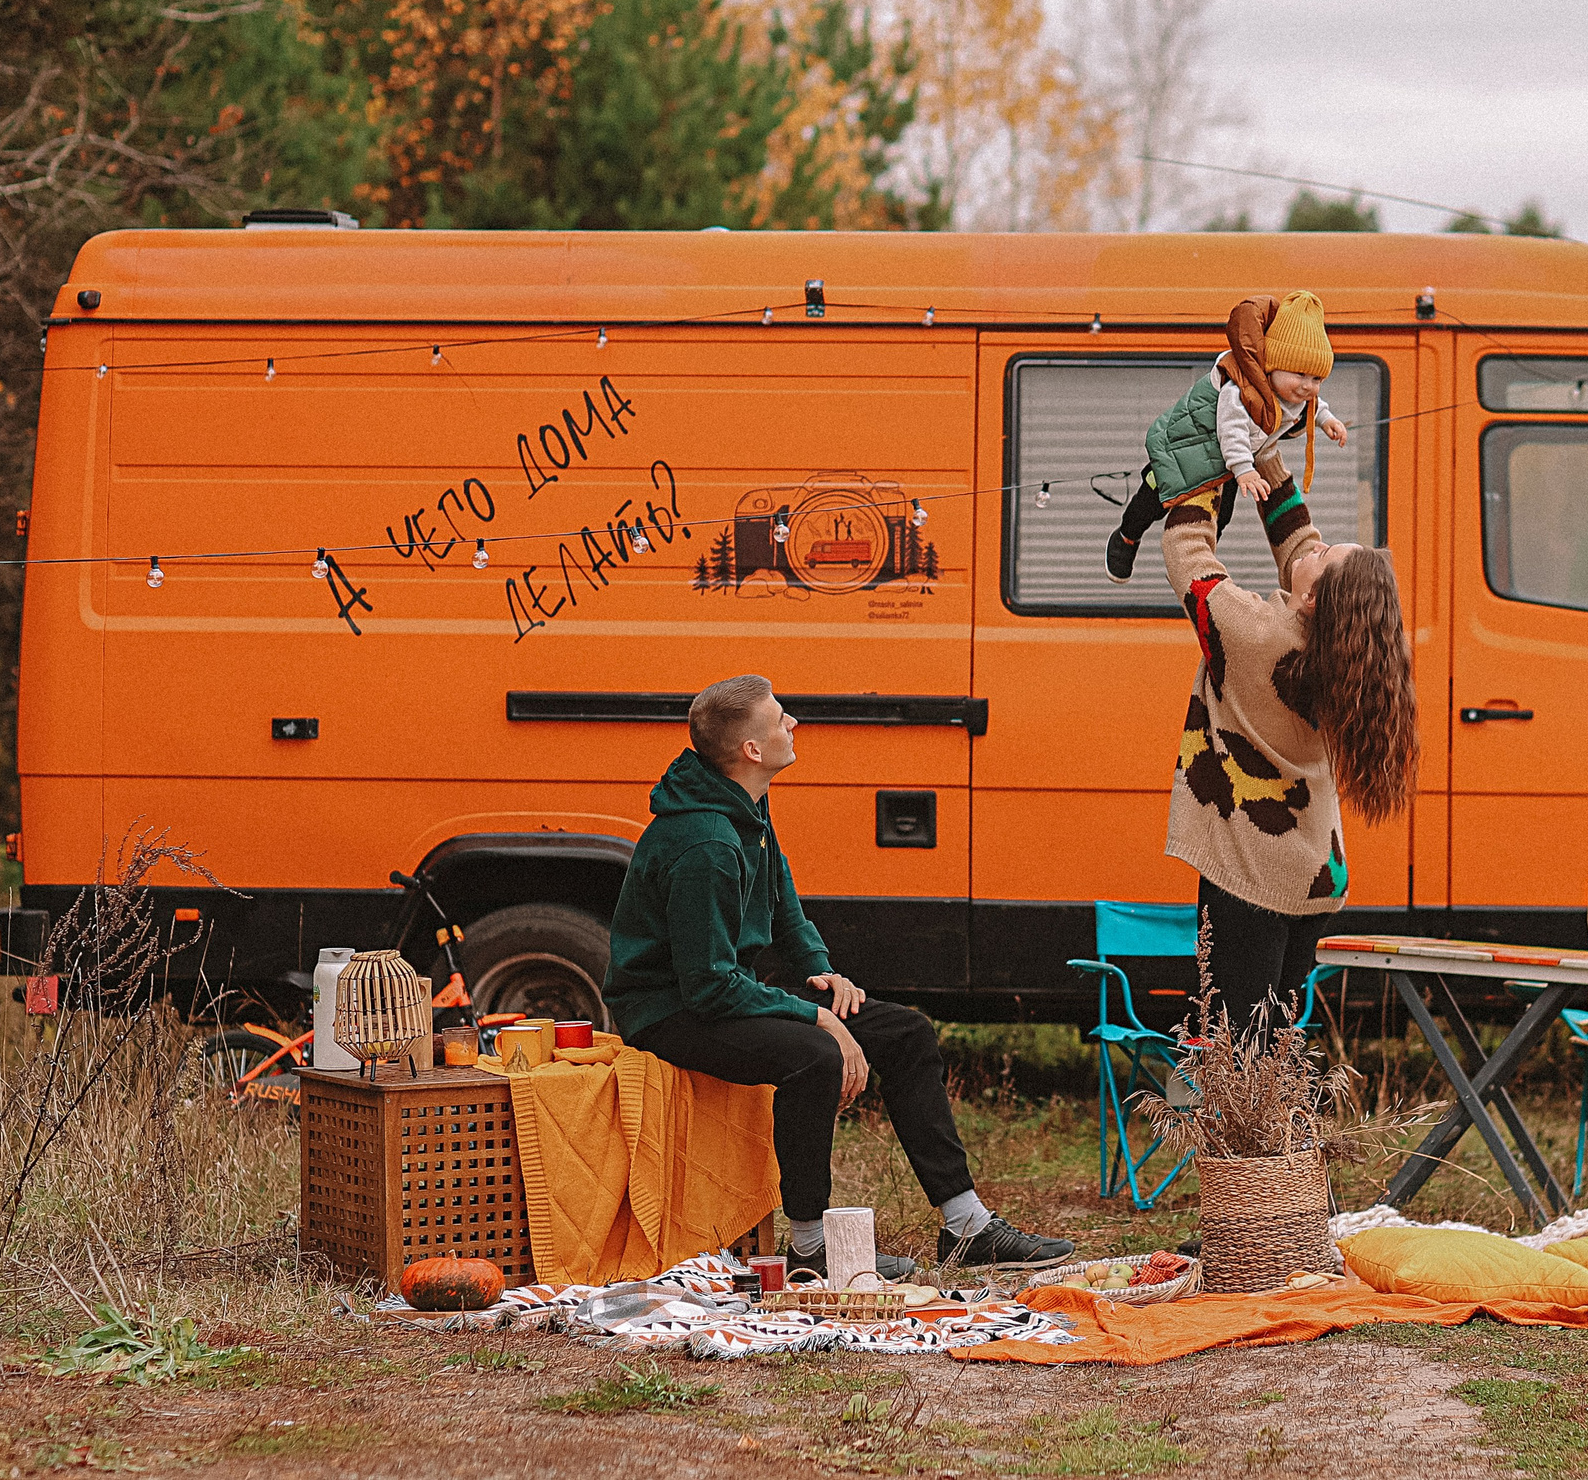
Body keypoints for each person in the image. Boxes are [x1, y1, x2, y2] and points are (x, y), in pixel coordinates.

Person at [604, 675, 1073, 1279]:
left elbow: (784, 906)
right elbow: (707, 987)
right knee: (814, 1058)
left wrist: (821, 974)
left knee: (905, 1032)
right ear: (751, 749)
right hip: (668, 1012)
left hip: (717, 990)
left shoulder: (744, 804)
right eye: (780, 718)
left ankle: (967, 1226)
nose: (793, 723)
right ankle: (810, 1248)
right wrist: (818, 1019)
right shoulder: (706, 844)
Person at [1158, 440, 1419, 1027]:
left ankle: (1238, 1094)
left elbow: (1186, 554)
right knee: (1273, 1037)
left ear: (1313, 598)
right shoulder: (1349, 655)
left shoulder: (1255, 636)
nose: (1313, 544)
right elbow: (1299, 545)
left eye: (1324, 553)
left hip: (1252, 872)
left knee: (1233, 1041)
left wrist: (1199, 472)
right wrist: (1259, 454)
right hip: (1312, 872)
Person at [1105, 291, 1349, 584]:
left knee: (1220, 517)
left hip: (1228, 464)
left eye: (1316, 378)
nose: (1307, 386)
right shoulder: (1239, 388)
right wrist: (1245, 469)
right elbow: (1231, 429)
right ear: (1272, 365)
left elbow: (1312, 405)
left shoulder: (1294, 393)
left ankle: (1190, 567)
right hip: (1191, 445)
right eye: (1300, 374)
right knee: (1152, 497)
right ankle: (1126, 537)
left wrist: (1327, 420)